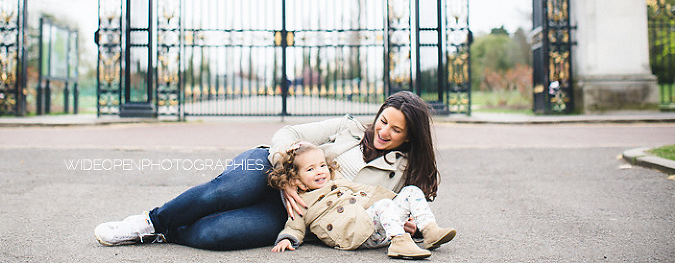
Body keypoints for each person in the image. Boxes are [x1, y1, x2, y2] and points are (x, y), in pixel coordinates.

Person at [94, 91, 454, 251]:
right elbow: (290, 134)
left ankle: (167, 234)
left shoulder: (403, 174)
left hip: (302, 213)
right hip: (269, 165)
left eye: (395, 130)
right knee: (226, 193)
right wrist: (286, 177)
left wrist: (411, 227)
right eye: (383, 120)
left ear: (409, 138)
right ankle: (148, 222)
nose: (382, 131)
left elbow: (397, 209)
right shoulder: (347, 127)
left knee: (218, 235)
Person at [268, 142, 455, 259]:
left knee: (411, 191)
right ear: (296, 179)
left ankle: (430, 231)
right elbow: (294, 225)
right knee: (383, 206)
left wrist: (399, 201)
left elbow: (365, 191)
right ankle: (399, 243)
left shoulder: (337, 181)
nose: (319, 171)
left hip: (373, 223)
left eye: (322, 165)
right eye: (310, 169)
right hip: (354, 234)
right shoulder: (302, 201)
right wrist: (287, 239)